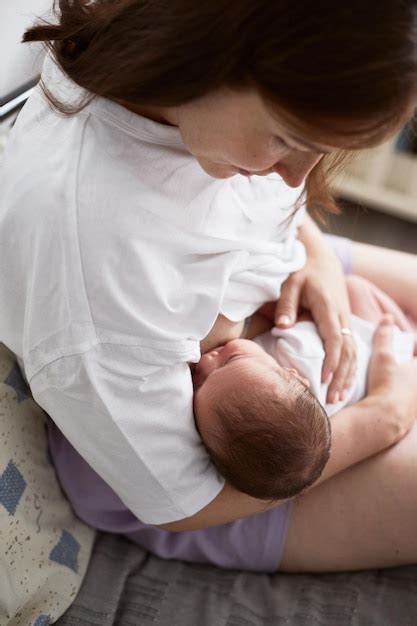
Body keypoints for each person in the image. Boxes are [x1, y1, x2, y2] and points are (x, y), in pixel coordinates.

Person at [0, 0, 416, 574]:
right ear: (207, 56)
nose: (298, 176)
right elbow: (179, 500)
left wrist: (314, 256)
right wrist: (383, 417)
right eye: (286, 138)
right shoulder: (95, 273)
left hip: (272, 283)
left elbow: (276, 202)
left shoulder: (187, 106)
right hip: (229, 482)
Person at [192, 275, 416, 502]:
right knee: (354, 288)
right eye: (230, 360)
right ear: (294, 375)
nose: (206, 361)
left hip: (377, 371)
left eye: (200, 383)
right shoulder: (298, 352)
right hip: (380, 343)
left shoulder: (298, 422)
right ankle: (410, 334)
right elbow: (306, 311)